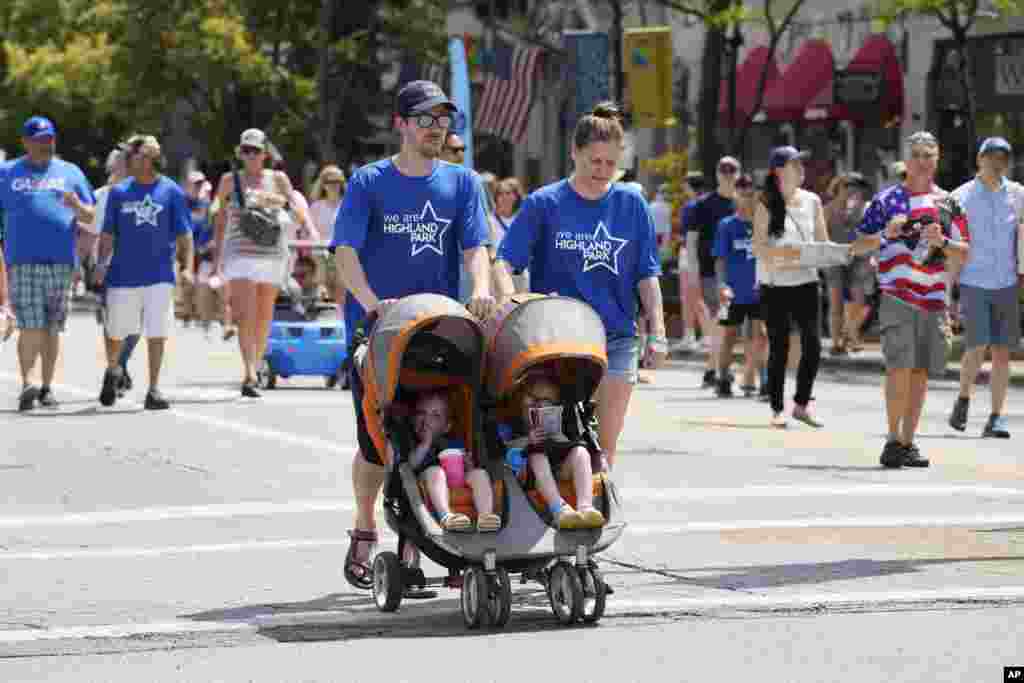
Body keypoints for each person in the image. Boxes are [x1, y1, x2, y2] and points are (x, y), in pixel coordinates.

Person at [331, 80, 494, 590]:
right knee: (379, 443)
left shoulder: (463, 183)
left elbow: (475, 248)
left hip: (439, 325)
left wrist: (483, 288)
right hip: (379, 330)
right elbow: (345, 253)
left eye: (443, 118)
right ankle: (364, 526)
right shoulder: (368, 182)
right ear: (401, 123)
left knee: (439, 432)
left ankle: (424, 539)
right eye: (424, 118)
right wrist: (370, 303)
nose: (436, 127)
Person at [493, 101, 667, 470]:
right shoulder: (545, 202)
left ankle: (595, 511)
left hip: (616, 337)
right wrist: (509, 298)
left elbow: (647, 273)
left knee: (604, 449)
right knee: (552, 443)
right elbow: (504, 260)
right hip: (557, 341)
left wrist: (659, 331)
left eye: (610, 163)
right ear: (574, 152)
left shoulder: (631, 203)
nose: (602, 171)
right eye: (594, 161)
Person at [856, 131, 971, 467]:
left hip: (933, 298)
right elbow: (858, 245)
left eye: (929, 155)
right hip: (898, 295)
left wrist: (945, 243)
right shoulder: (886, 200)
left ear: (937, 160)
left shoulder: (948, 203)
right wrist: (884, 235)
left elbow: (964, 251)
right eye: (917, 155)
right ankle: (892, 439)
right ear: (906, 161)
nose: (922, 161)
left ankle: (907, 442)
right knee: (898, 367)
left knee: (920, 371)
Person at [0, 116, 95, 411]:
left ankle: (46, 386)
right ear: (26, 143)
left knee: (52, 327)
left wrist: (76, 206)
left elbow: (90, 216)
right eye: (40, 140)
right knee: (30, 325)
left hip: (61, 262)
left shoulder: (70, 172)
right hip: (22, 261)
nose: (46, 145)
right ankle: (27, 383)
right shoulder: (7, 172)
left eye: (49, 139)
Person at [94, 135, 194, 410]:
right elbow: (107, 234)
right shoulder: (119, 192)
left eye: (137, 155)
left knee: (157, 332)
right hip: (122, 275)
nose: (130, 160)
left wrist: (188, 268)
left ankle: (153, 389)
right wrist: (101, 265)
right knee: (116, 332)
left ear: (150, 160)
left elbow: (185, 235)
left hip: (159, 274)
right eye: (131, 155)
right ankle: (113, 369)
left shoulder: (171, 191)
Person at [753, 146, 846, 429]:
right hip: (775, 285)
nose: (801, 168)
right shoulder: (765, 203)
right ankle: (777, 408)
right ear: (779, 170)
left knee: (813, 346)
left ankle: (802, 404)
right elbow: (759, 248)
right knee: (779, 347)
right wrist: (788, 255)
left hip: (807, 282)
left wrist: (839, 252)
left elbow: (822, 240)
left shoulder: (812, 200)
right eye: (795, 164)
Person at [212, 128, 297, 398]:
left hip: (272, 254)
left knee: (263, 314)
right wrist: (217, 259)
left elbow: (294, 207)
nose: (250, 156)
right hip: (240, 253)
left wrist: (269, 200)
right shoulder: (229, 180)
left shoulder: (278, 179)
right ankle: (248, 371)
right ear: (240, 152)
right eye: (245, 150)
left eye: (255, 151)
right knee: (245, 313)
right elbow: (219, 219)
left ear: (265, 153)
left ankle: (257, 364)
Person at [948, 137, 1023, 439]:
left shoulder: (1018, 195)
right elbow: (951, 247)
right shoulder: (960, 197)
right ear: (979, 160)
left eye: (1002, 157)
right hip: (973, 281)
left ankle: (996, 417)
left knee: (1003, 352)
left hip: (1006, 282)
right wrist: (947, 292)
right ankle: (964, 397)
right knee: (977, 346)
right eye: (991, 156)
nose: (996, 162)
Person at [500, 372, 604, 529]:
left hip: (559, 469)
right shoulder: (512, 426)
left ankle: (586, 506)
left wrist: (563, 440)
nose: (539, 405)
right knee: (537, 455)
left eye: (546, 402)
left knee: (580, 452)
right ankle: (558, 508)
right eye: (532, 400)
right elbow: (506, 459)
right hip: (529, 476)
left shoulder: (565, 421)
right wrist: (528, 442)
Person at [396, 391, 500, 532]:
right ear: (413, 419)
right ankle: (446, 515)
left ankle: (486, 516)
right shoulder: (413, 443)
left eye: (436, 415)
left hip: (457, 480)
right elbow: (410, 465)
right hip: (427, 483)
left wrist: (468, 465)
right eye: (421, 413)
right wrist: (425, 444)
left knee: (479, 474)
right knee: (436, 471)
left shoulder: (453, 443)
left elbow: (468, 469)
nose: (426, 419)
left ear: (446, 427)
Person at [713, 173, 768, 398]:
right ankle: (723, 377)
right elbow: (720, 259)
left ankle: (766, 380)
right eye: (743, 194)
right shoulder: (727, 225)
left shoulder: (763, 224)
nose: (747, 198)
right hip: (733, 291)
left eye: (751, 194)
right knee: (729, 335)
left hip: (760, 290)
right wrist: (721, 285)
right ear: (736, 196)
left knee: (761, 335)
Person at [688, 157, 740, 387]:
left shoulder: (744, 203)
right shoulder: (703, 204)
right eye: (724, 170)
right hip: (710, 272)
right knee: (723, 318)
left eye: (732, 170)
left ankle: (712, 369)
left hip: (741, 272)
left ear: (738, 173)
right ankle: (719, 371)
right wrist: (692, 271)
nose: (728, 174)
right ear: (717, 173)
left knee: (725, 322)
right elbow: (692, 240)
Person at [824, 173, 876, 355]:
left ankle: (849, 335)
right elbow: (821, 236)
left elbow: (868, 232)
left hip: (857, 258)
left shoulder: (860, 207)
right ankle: (836, 343)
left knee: (859, 301)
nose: (851, 190)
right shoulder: (828, 209)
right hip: (834, 259)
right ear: (838, 188)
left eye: (855, 187)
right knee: (836, 302)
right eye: (847, 186)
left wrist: (857, 211)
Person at [675, 173, 711, 353]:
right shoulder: (708, 204)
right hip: (706, 255)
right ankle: (698, 336)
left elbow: (685, 233)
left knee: (690, 297)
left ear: (689, 186)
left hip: (689, 253)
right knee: (696, 297)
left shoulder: (690, 207)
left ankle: (701, 336)